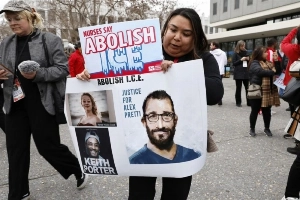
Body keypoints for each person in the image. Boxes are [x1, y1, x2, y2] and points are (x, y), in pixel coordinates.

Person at [77, 7, 223, 200]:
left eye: (186, 34)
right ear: (164, 31)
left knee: (176, 194)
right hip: (142, 144)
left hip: (183, 142)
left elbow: (215, 93)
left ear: (195, 38)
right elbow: (112, 79)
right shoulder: (143, 52)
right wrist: (89, 77)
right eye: (173, 30)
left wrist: (179, 72)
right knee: (139, 193)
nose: (177, 37)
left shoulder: (203, 58)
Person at [0, 1, 88, 199]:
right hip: (14, 104)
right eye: (9, 19)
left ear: (30, 17)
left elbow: (62, 69)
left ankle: (77, 169)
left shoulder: (50, 40)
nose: (13, 23)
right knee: (16, 150)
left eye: (17, 18)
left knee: (48, 147)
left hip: (41, 103)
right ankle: (18, 192)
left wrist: (37, 74)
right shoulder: (5, 43)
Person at [129, 90, 201, 164]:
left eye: (166, 115)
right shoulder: (134, 163)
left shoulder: (193, 156)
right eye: (152, 116)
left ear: (175, 120)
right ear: (144, 122)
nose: (160, 125)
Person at [248, 46, 280, 137]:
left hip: (267, 91)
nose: (267, 53)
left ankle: (267, 128)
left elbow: (278, 71)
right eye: (265, 52)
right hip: (257, 90)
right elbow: (260, 72)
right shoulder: (254, 63)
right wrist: (272, 72)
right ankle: (252, 128)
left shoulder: (269, 63)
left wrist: (276, 60)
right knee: (255, 110)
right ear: (260, 54)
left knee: (267, 111)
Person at [281, 26, 300, 154]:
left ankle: (297, 139)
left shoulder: (295, 49)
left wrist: (294, 30)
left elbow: (283, 43)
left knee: (296, 111)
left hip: (296, 84)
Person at [232, 40, 250, 107]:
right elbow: (233, 63)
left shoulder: (246, 52)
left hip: (245, 72)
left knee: (247, 88)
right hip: (238, 73)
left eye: (244, 45)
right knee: (239, 88)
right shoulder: (235, 53)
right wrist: (241, 60)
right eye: (242, 46)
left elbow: (248, 63)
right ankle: (238, 102)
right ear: (238, 46)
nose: (243, 47)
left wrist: (248, 60)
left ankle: (249, 102)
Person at [210, 41, 227, 105]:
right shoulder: (223, 53)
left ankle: (212, 99)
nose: (210, 46)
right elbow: (225, 62)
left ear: (214, 46)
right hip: (220, 72)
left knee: (211, 86)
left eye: (211, 45)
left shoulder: (210, 53)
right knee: (219, 85)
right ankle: (220, 100)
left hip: (212, 71)